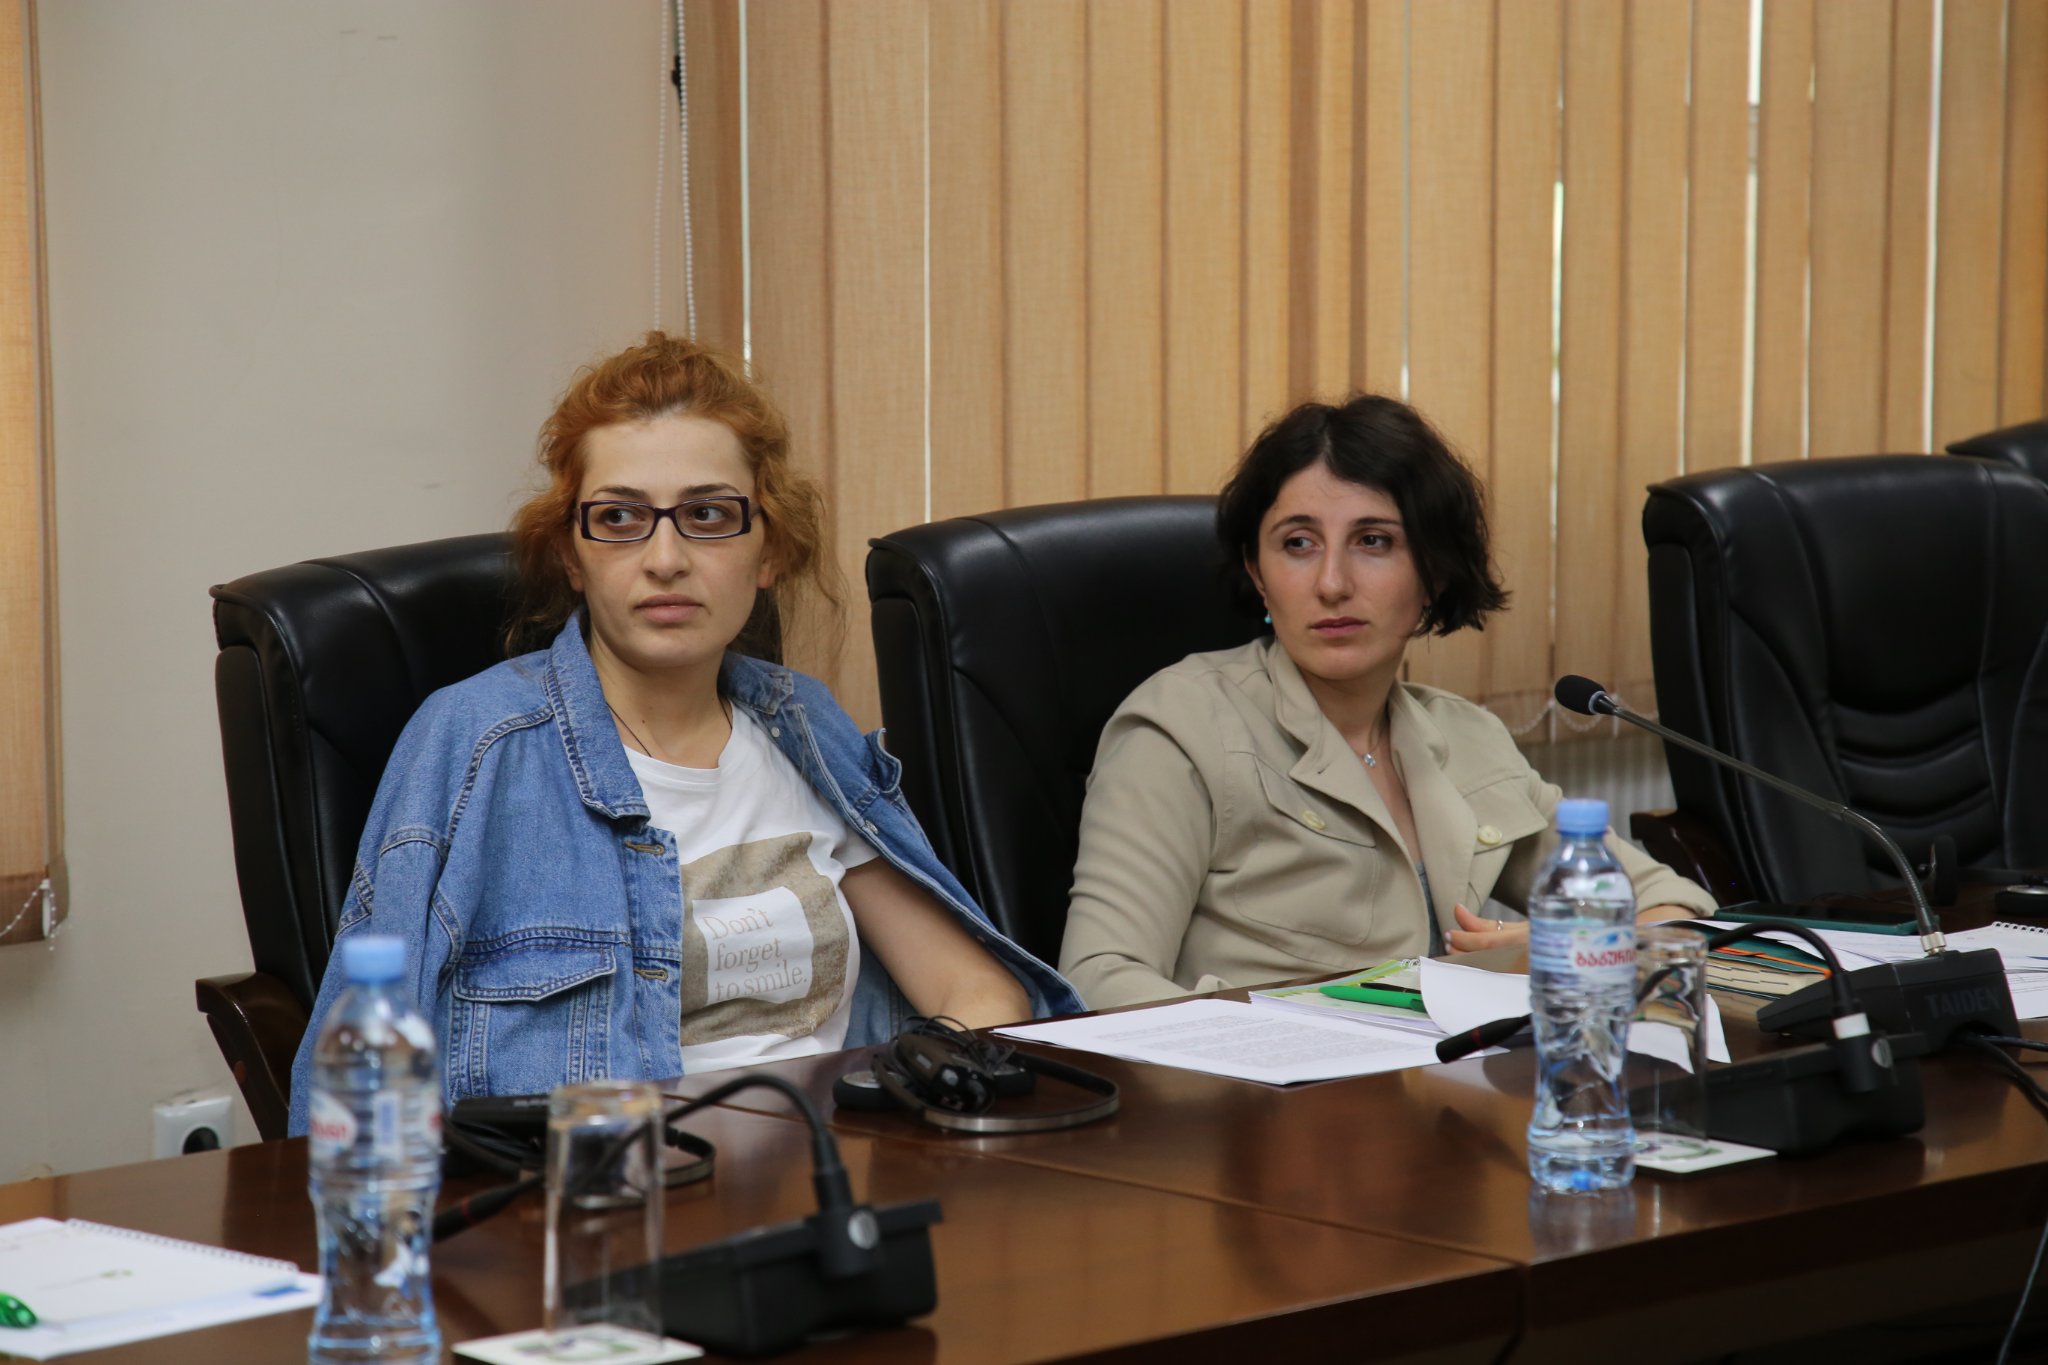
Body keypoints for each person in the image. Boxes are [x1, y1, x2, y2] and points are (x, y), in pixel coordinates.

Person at [288, 333, 1078, 1131]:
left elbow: (978, 991)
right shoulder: (470, 744)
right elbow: (351, 1097)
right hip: (599, 1192)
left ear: (768, 549)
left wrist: (904, 1105)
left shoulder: (804, 726)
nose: (665, 559)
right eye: (620, 517)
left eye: (706, 514)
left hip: (836, 1177)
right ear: (571, 556)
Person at [1058, 395, 1715, 1009]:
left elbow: (1673, 909)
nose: (1332, 583)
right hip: (1258, 1088)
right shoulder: (1180, 729)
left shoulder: (1466, 736)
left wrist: (1574, 944)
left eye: (1373, 540)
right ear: (1258, 573)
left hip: (1443, 1081)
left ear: (1434, 572)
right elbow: (1098, 978)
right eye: (1297, 543)